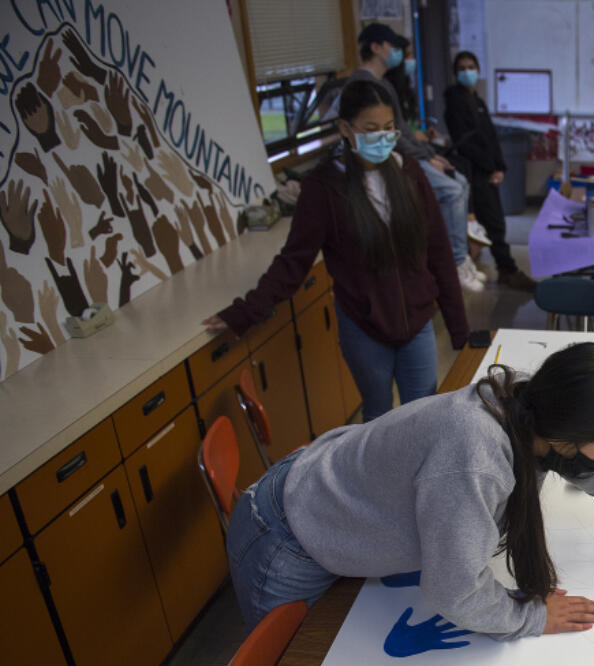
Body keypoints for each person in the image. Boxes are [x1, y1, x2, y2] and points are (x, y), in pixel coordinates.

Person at [225, 342, 594, 635]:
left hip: (336, 493)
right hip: (290, 536)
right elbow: (453, 591)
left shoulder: (534, 407)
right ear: (569, 434)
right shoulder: (474, 457)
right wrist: (531, 617)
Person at [203, 80, 469, 422]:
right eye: (371, 129)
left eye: (389, 128)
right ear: (346, 128)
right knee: (378, 417)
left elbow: (439, 252)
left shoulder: (409, 173)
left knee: (425, 415)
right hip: (364, 327)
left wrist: (461, 332)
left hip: (416, 322)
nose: (382, 137)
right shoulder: (324, 187)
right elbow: (293, 263)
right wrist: (243, 312)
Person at [351, 24, 484, 293]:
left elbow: (400, 129)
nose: (400, 54)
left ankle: (463, 257)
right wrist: (424, 158)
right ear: (376, 48)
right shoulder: (362, 85)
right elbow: (391, 137)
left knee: (461, 181)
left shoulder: (385, 84)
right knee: (453, 190)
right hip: (391, 163)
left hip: (412, 155)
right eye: (395, 47)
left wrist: (431, 154)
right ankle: (456, 262)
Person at [444, 51, 535, 291]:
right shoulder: (455, 102)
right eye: (462, 68)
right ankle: (507, 269)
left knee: (495, 222)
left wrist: (499, 166)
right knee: (490, 223)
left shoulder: (477, 101)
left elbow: (490, 137)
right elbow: (467, 143)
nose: (467, 72)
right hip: (474, 173)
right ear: (455, 73)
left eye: (471, 67)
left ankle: (505, 268)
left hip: (488, 170)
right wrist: (489, 167)